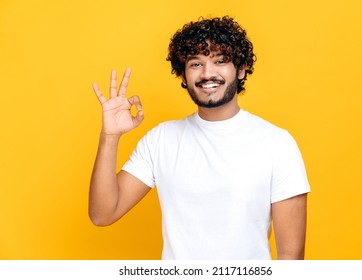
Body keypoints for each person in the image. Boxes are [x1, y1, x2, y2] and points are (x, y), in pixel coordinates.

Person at [89, 16, 310, 260]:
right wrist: (109, 137)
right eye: (196, 64)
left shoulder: (277, 144)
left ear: (241, 69)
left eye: (221, 61)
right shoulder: (161, 139)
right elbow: (102, 214)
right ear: (183, 76)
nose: (207, 73)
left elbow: (291, 256)